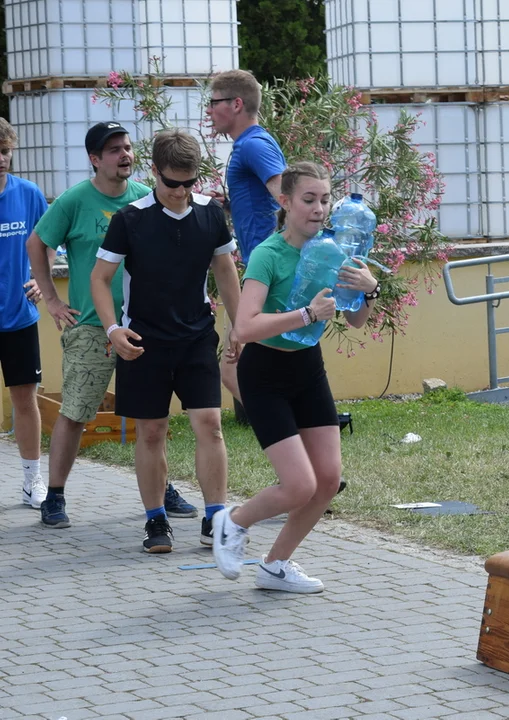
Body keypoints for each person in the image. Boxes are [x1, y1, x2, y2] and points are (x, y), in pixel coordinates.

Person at [212, 162, 378, 593]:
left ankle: (275, 566)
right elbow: (244, 327)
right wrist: (305, 314)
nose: (319, 208)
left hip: (307, 369)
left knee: (326, 481)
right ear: (285, 203)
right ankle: (230, 521)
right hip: (264, 373)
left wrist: (369, 288)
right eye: (308, 200)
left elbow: (357, 320)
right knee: (299, 484)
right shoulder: (269, 255)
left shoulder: (336, 249)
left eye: (325, 199)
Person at [26, 122, 199, 528]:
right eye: (113, 150)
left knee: (151, 417)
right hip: (91, 327)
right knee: (75, 412)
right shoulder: (74, 201)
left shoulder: (145, 197)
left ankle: (163, 490)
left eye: (127, 147)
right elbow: (37, 243)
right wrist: (51, 300)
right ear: (94, 159)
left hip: (143, 325)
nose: (124, 155)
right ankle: (55, 495)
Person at [90, 129, 241, 553]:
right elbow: (100, 281)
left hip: (196, 336)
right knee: (152, 432)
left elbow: (226, 272)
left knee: (210, 426)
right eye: (171, 183)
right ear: (153, 171)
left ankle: (216, 519)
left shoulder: (211, 213)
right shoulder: (130, 220)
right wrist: (112, 330)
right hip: (143, 340)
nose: (180, 192)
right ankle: (156, 521)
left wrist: (240, 323)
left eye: (188, 183)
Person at [206, 69, 287, 411]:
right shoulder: (250, 144)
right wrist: (228, 205)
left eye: (214, 103)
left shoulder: (253, 144)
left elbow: (287, 197)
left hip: (267, 269)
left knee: (234, 365)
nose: (209, 111)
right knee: (237, 364)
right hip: (264, 266)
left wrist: (281, 260)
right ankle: (290, 423)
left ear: (236, 104)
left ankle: (289, 424)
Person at [0, 118, 49, 509]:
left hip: (18, 318)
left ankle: (34, 481)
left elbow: (47, 241)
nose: (1, 159)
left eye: (4, 151)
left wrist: (39, 278)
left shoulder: (29, 193)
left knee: (24, 398)